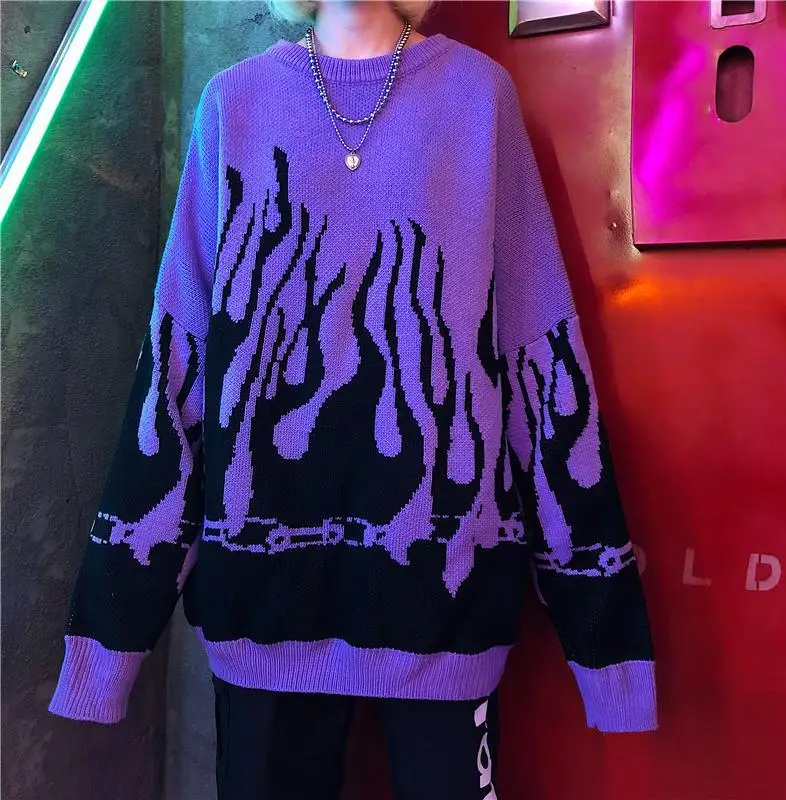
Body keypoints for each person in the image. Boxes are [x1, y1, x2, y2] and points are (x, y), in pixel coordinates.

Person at [49, 1, 657, 797]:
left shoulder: (479, 99)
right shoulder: (234, 104)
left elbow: (538, 354)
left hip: (444, 602)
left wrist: (606, 640)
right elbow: (178, 369)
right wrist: (110, 639)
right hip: (262, 608)